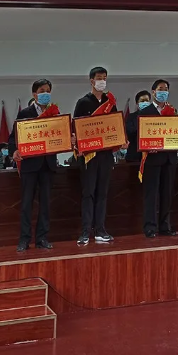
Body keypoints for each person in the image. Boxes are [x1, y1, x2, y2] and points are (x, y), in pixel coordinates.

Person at [73, 67, 122, 246]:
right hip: (89, 156)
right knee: (88, 193)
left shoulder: (110, 103)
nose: (102, 81)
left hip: (106, 155)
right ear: (92, 81)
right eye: (99, 78)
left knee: (102, 193)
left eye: (105, 78)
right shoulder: (83, 102)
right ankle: (85, 231)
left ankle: (100, 230)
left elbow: (116, 126)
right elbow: (76, 127)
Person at [8, 79, 57, 251]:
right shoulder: (24, 113)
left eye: (48, 91)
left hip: (48, 165)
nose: (45, 94)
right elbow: (13, 138)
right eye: (42, 91)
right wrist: (14, 151)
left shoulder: (54, 113)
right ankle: (24, 239)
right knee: (27, 204)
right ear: (34, 94)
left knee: (45, 204)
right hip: (30, 165)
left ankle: (42, 238)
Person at [137, 80, 178, 238]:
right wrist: (147, 145)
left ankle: (165, 226)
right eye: (160, 89)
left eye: (166, 89)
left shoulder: (172, 110)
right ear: (153, 92)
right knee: (151, 195)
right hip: (152, 159)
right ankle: (150, 227)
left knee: (167, 194)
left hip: (169, 158)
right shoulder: (145, 111)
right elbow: (139, 134)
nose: (163, 92)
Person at [125, 90, 151, 163]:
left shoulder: (154, 117)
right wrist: (141, 118)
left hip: (151, 157)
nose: (145, 102)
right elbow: (129, 133)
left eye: (147, 100)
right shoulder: (131, 117)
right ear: (137, 103)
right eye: (142, 101)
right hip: (134, 156)